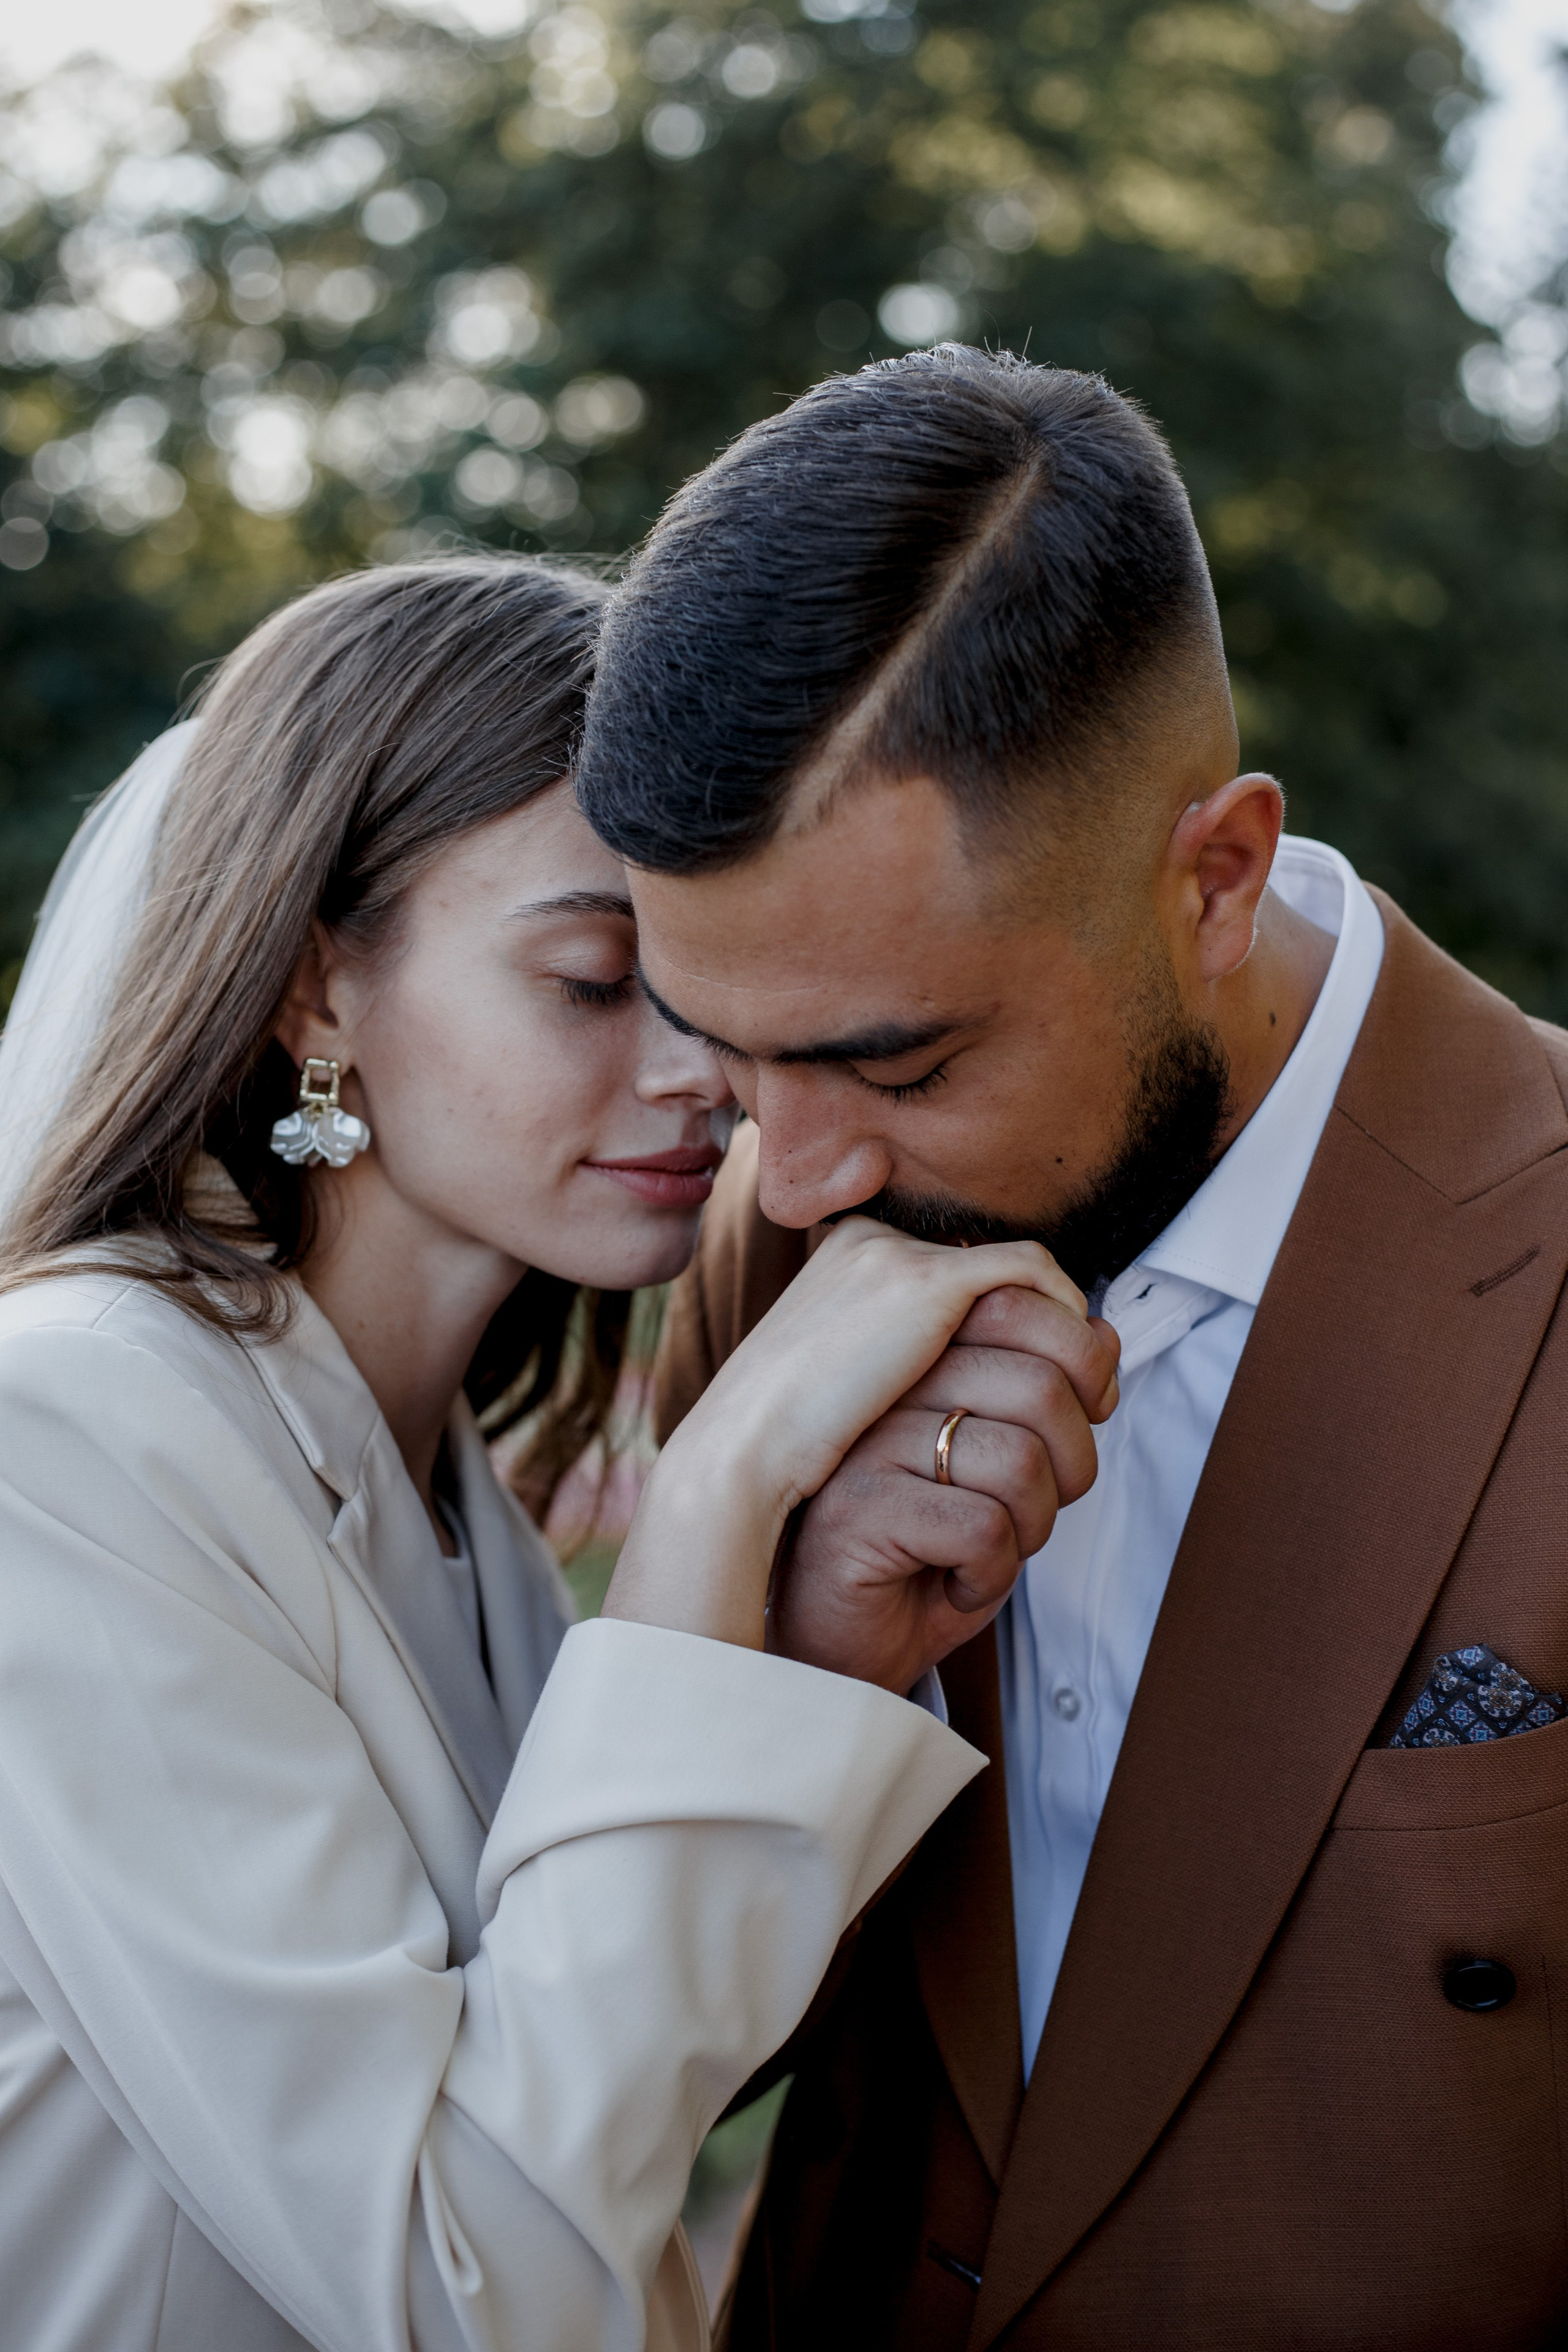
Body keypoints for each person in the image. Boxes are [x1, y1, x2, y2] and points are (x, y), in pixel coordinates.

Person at [0, 554, 1118, 2352]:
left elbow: (599, 2101)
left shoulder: (453, 1510)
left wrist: (808, 1657)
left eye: (710, 989)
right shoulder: (65, 1440)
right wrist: (719, 1494)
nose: (704, 1076)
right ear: (316, 991)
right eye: (600, 979)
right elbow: (473, 2296)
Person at [575, 345, 1568, 2351]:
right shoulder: (791, 1249)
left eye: (899, 1060)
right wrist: (793, 1697)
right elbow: (672, 2069)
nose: (787, 1177)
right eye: (724, 1048)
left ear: (1211, 874)